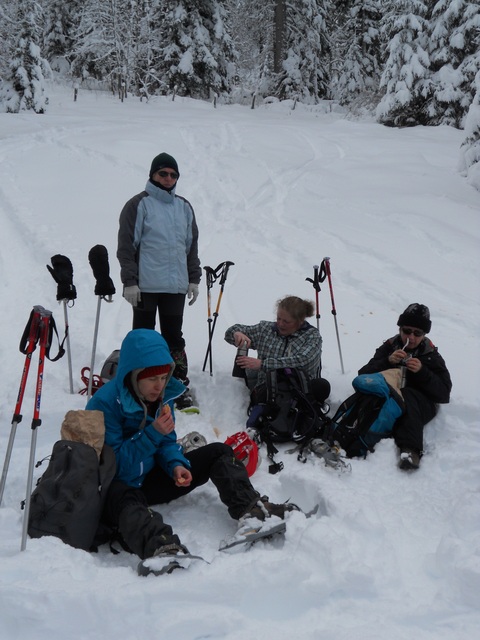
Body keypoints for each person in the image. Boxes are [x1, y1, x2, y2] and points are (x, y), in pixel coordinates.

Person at [86, 329, 296, 573]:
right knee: (125, 497)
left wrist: (175, 464)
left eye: (164, 377)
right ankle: (160, 549)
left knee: (218, 451)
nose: (160, 386)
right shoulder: (104, 404)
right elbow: (114, 465)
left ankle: (252, 511)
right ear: (134, 375)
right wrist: (153, 432)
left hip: (152, 478)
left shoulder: (162, 397)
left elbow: (166, 443)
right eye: (152, 379)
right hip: (119, 486)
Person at [117, 152, 201, 410]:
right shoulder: (138, 204)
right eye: (162, 173)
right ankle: (139, 387)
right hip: (145, 287)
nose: (168, 178)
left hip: (174, 287)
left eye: (173, 174)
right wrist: (130, 281)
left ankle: (176, 385)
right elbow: (126, 247)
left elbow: (191, 247)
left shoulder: (184, 207)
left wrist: (193, 278)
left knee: (174, 338)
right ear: (152, 174)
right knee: (143, 337)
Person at [357, 303, 452, 471]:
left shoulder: (431, 355)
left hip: (419, 404)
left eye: (418, 333)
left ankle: (410, 450)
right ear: (400, 329)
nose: (411, 337)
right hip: (390, 398)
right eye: (407, 331)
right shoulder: (389, 347)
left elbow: (444, 394)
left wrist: (422, 372)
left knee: (408, 395)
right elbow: (363, 375)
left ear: (424, 334)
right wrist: (387, 361)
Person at [224, 295, 330, 403]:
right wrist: (236, 334)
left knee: (322, 386)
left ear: (300, 321)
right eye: (278, 318)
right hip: (268, 390)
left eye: (286, 321)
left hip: (301, 390)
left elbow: (302, 361)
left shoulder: (312, 336)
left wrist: (263, 364)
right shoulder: (266, 329)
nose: (280, 324)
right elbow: (231, 332)